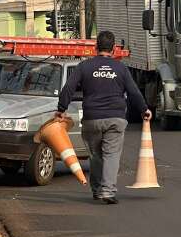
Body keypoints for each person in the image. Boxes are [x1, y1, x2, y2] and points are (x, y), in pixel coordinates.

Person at [56, 30, 152, 205]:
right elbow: (133, 92)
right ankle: (107, 191)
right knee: (111, 155)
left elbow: (68, 88)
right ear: (114, 49)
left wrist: (61, 108)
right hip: (115, 118)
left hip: (91, 119)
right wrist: (144, 109)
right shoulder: (121, 68)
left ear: (95, 47)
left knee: (96, 155)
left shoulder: (84, 66)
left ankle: (97, 189)